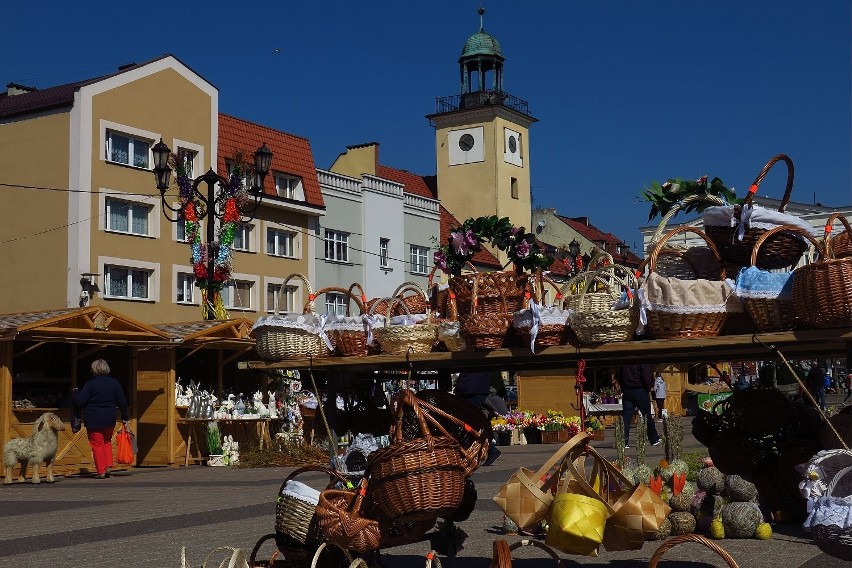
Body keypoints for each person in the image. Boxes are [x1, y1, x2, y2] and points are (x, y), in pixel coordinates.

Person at [72, 359, 130, 478]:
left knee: (97, 444)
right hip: (109, 418)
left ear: (94, 369)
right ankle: (108, 466)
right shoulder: (114, 383)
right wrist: (125, 415)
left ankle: (101, 471)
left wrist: (75, 393)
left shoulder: (90, 383)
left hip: (94, 419)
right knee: (107, 442)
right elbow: (122, 401)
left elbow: (80, 401)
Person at [456, 371, 501, 465]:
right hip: (473, 388)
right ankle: (489, 449)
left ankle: (490, 449)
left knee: (471, 424)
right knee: (472, 423)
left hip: (472, 389)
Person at [617, 363, 661, 448]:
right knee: (647, 415)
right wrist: (649, 387)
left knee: (626, 418)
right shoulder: (641, 360)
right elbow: (646, 374)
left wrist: (623, 388)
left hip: (627, 391)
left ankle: (624, 441)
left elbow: (619, 375)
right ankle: (654, 439)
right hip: (640, 390)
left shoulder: (623, 362)